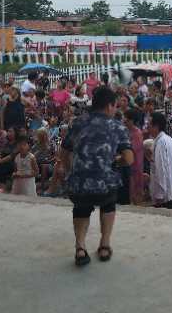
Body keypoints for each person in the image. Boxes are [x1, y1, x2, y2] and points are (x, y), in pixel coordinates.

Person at [58, 86, 134, 267]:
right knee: (108, 204)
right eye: (115, 106)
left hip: (79, 186)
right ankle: (104, 245)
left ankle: (80, 247)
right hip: (104, 186)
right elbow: (129, 159)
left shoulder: (78, 123)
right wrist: (114, 162)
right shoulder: (117, 126)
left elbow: (64, 152)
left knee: (81, 208)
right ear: (109, 106)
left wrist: (70, 171)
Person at [148, 112, 172, 208]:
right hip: (168, 188)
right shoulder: (168, 139)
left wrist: (160, 194)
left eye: (149, 124)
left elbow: (161, 170)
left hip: (163, 193)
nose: (148, 127)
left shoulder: (161, 142)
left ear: (156, 126)